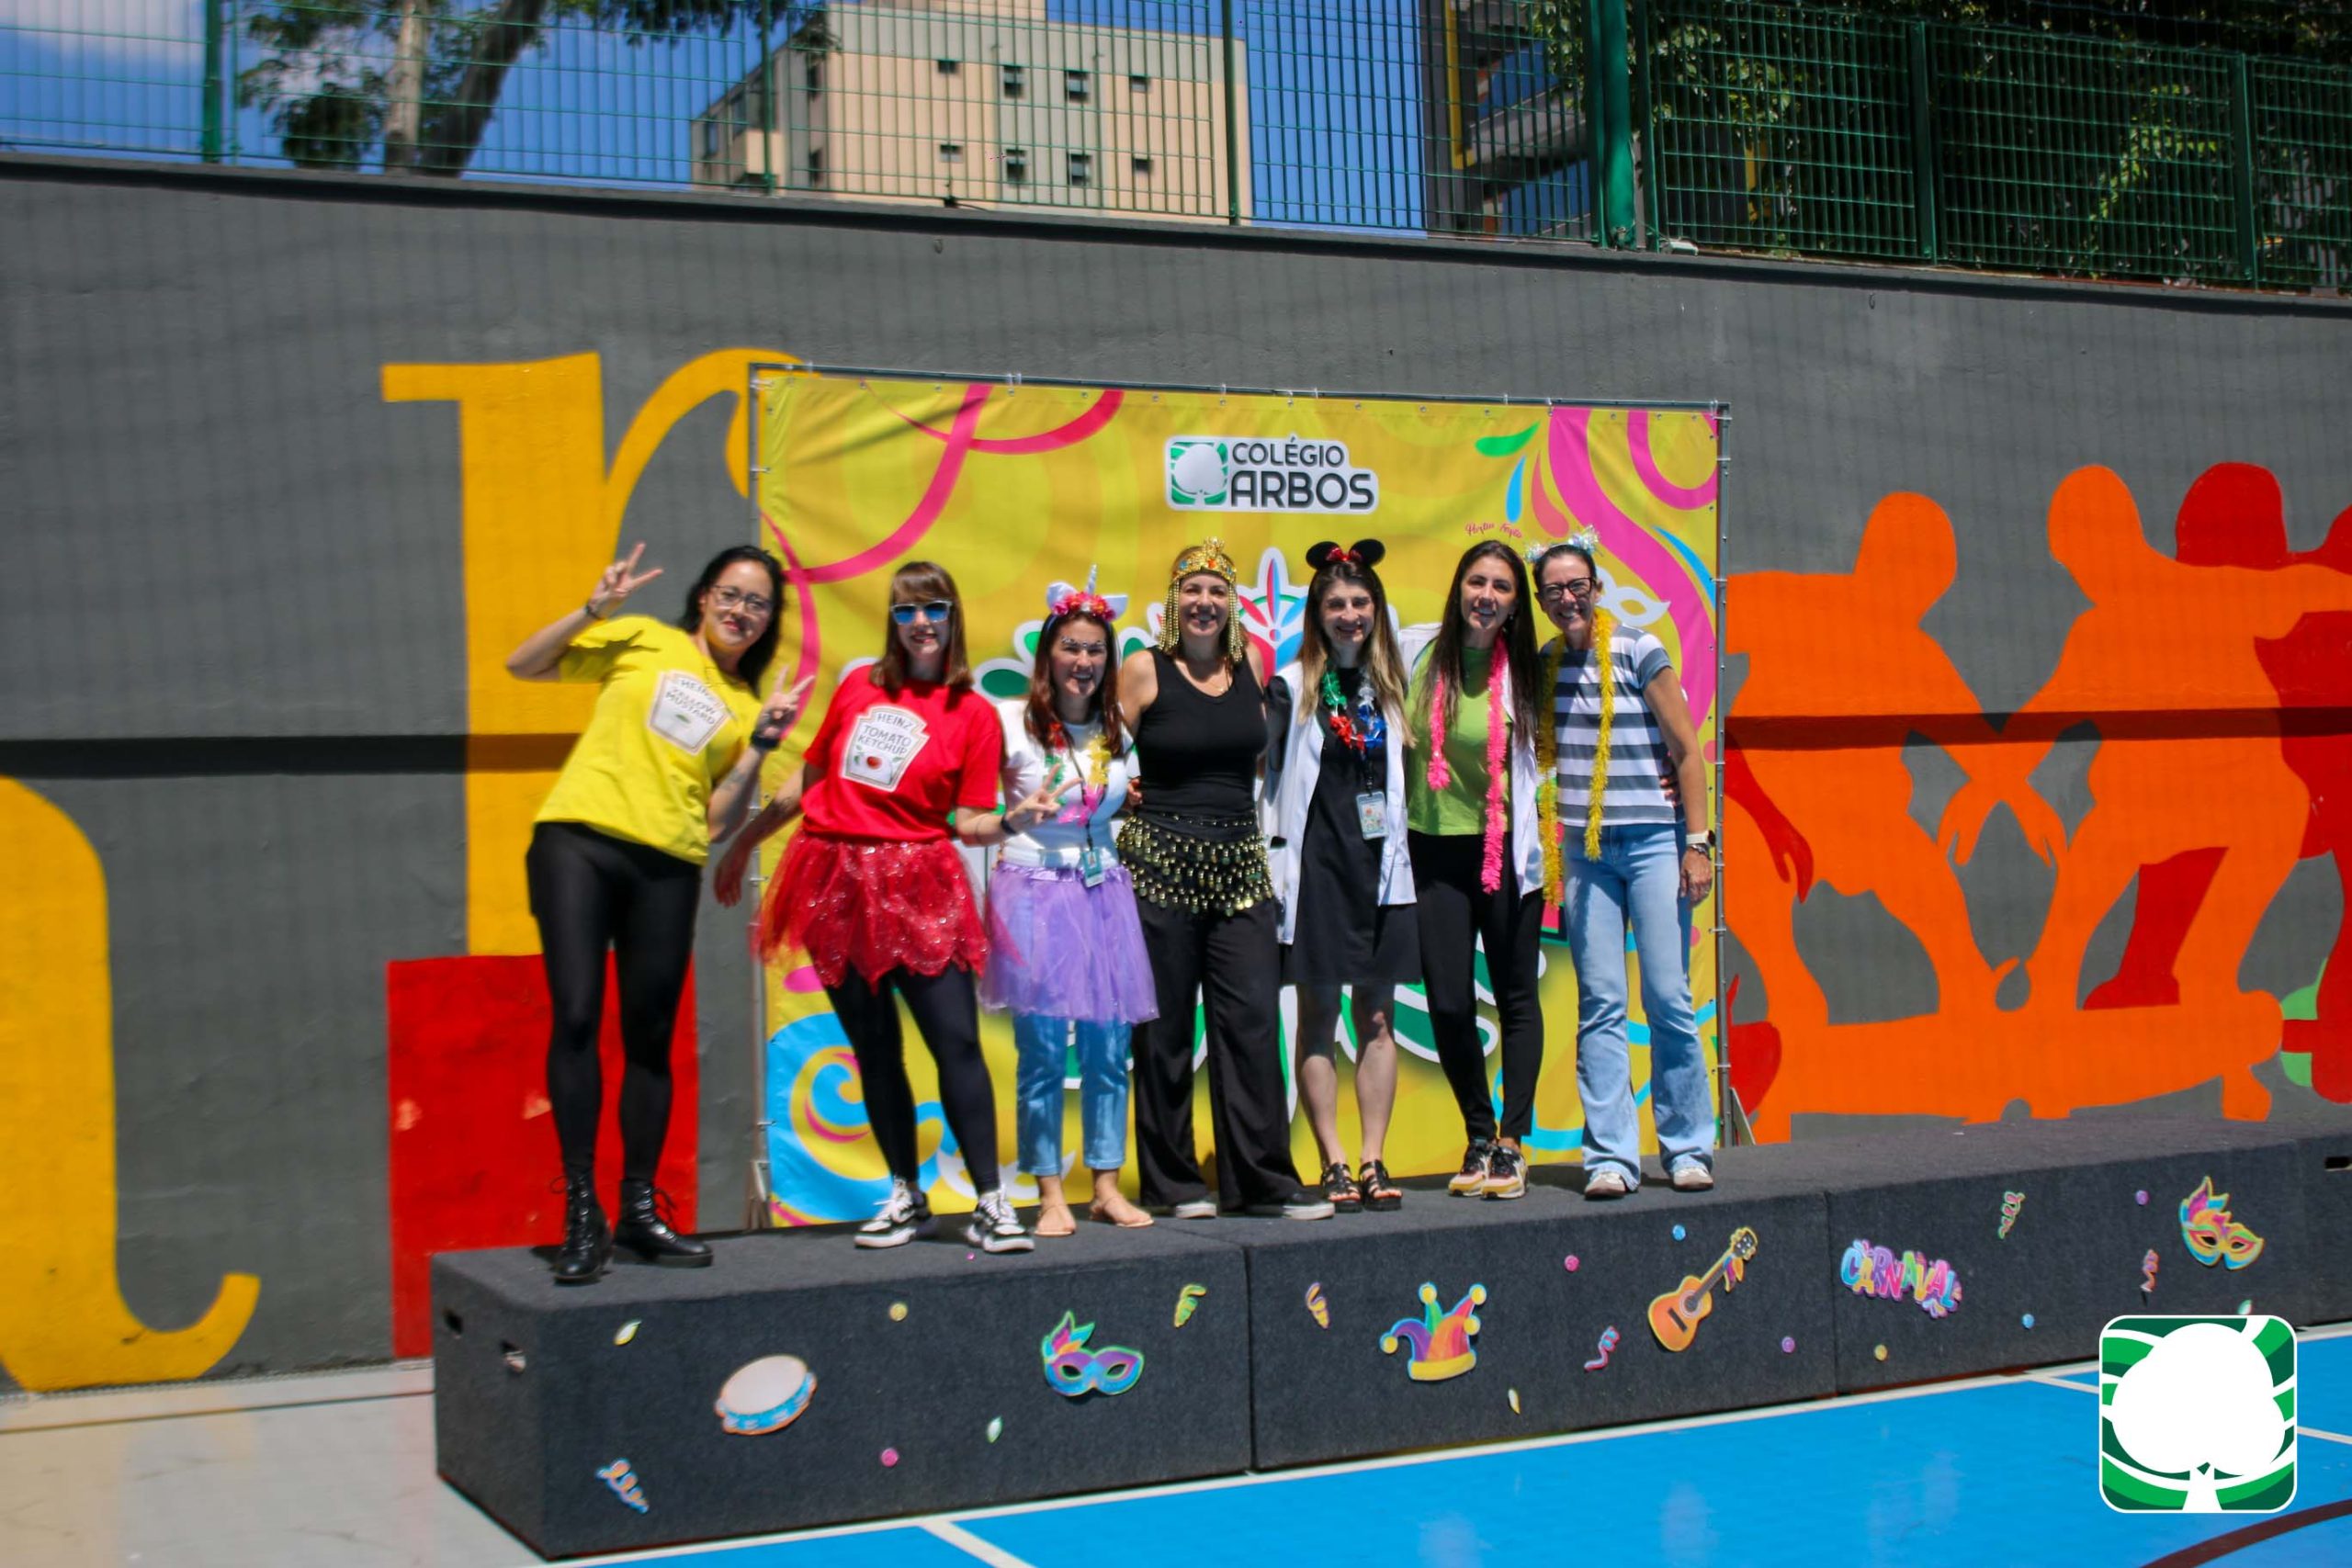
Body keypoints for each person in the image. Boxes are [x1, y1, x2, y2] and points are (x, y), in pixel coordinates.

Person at [506, 542, 808, 1283]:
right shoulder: (644, 638)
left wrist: (759, 744)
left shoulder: (745, 704)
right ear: (704, 596)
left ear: (768, 620)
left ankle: (638, 1209)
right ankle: (583, 1210)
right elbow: (525, 664)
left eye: (758, 603)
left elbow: (717, 821)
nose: (741, 610)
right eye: (730, 594)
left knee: (651, 1037)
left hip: (668, 863)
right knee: (578, 1015)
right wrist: (593, 608)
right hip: (579, 841)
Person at [715, 561, 1031, 1253]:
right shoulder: (858, 686)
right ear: (892, 621)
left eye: (934, 608)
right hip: (837, 878)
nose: (920, 622)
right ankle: (905, 1194)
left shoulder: (973, 713)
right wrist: (744, 843)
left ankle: (990, 1200)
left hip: (920, 883)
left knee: (956, 1042)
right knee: (875, 1047)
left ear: (953, 618)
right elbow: (808, 782)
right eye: (906, 610)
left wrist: (1011, 822)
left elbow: (970, 819)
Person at [1117, 539, 1332, 1222]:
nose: (1204, 602)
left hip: (1240, 863)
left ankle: (1261, 1181)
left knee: (1251, 1023)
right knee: (1165, 1030)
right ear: (1173, 600)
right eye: (1192, 590)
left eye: (1217, 591)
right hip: (1160, 865)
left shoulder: (1252, 667)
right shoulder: (1143, 668)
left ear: (1231, 605)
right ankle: (1173, 1184)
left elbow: (1263, 759)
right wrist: (1118, 789)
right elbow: (1098, 754)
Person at [967, 571, 1157, 1235]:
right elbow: (970, 816)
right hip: (1033, 892)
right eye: (1071, 647)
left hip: (1102, 890)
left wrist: (1123, 802)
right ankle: (1048, 1190)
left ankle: (1106, 1185)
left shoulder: (1116, 729)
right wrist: (1014, 817)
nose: (1083, 660)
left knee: (1109, 1048)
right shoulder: (1008, 722)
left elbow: (1109, 799)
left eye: (1096, 650)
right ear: (1048, 653)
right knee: (1044, 1050)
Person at [1533, 536, 1717, 1198]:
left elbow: (1687, 751)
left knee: (1667, 996)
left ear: (1597, 586)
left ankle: (1687, 1147)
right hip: (1585, 854)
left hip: (1652, 845)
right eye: (1554, 589)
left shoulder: (1640, 649)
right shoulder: (1544, 664)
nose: (1568, 598)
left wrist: (1697, 844)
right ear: (1541, 600)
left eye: (1577, 585)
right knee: (1601, 1004)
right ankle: (1610, 1156)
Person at [1269, 540, 1418, 1213]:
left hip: (1382, 871)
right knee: (1319, 1017)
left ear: (1377, 610)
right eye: (1336, 603)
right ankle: (1332, 1160)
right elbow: (1259, 772)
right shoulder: (1291, 685)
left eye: (1361, 602)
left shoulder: (1394, 686)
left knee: (1378, 1016)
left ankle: (1373, 1157)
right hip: (1318, 873)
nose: (1350, 614)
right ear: (1317, 613)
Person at [1404, 540, 1548, 1201]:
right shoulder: (1416, 653)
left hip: (1506, 850)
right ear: (1458, 586)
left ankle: (1512, 1143)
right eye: (1477, 581)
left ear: (1516, 605)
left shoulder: (1527, 671)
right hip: (1433, 849)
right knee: (1449, 1000)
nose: (1486, 595)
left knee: (1515, 996)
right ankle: (1479, 1132)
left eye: (1502, 587)